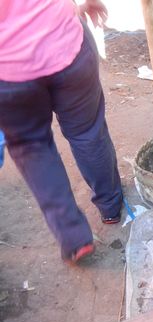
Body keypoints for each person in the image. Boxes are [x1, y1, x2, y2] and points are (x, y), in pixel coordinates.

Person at [0, 0, 123, 263]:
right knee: (88, 132)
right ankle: (110, 206)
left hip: (9, 77)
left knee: (32, 149)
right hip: (67, 46)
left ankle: (73, 236)